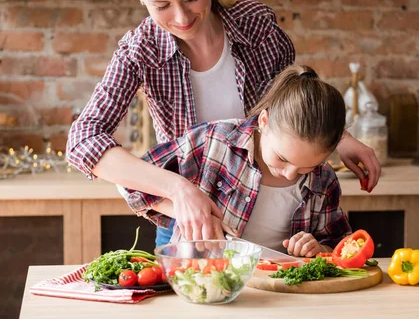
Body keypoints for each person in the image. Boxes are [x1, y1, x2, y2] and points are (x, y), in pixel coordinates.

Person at [66, 0, 380, 246]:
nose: (181, 17)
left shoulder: (257, 27)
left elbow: (292, 102)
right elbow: (82, 141)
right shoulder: (141, 49)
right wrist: (180, 190)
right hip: (190, 222)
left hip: (268, 218)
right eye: (160, 6)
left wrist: (335, 138)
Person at [125, 64, 351, 255]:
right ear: (264, 121)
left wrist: (320, 250)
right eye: (282, 159)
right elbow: (130, 182)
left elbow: (341, 246)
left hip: (281, 295)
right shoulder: (215, 142)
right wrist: (187, 210)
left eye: (306, 168)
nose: (291, 173)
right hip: (203, 281)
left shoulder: (324, 179)